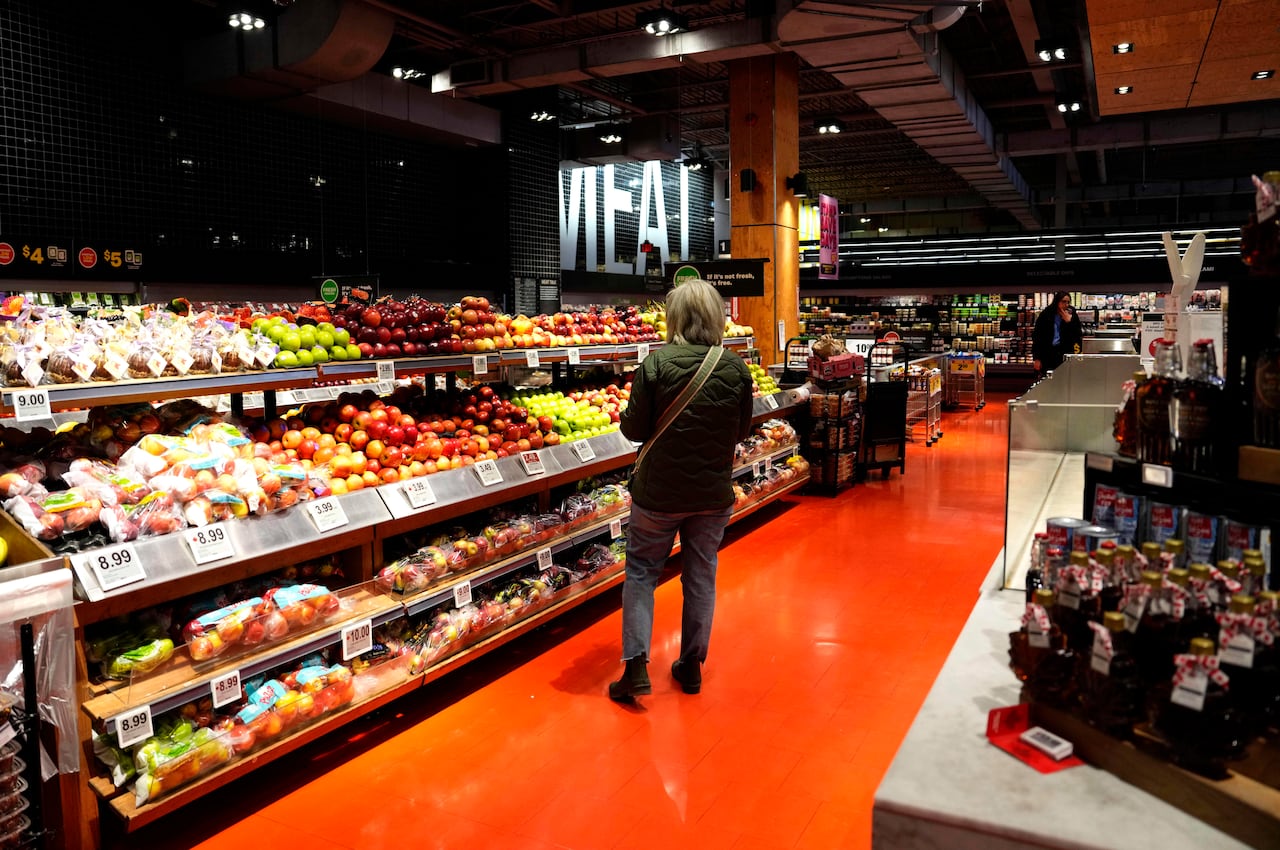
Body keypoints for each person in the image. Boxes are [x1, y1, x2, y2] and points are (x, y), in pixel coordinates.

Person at [609, 279, 754, 702]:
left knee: (640, 573)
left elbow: (633, 430)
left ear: (674, 318)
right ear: (716, 318)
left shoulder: (655, 364)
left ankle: (635, 666)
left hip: (658, 495)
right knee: (701, 573)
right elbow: (741, 429)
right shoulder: (735, 368)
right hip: (711, 493)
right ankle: (691, 665)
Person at [1032, 291, 1084, 375]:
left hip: (1065, 352)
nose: (1066, 305)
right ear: (1057, 301)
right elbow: (1037, 337)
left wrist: (1069, 322)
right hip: (1048, 353)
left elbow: (1077, 335)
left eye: (1068, 302)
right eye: (1063, 301)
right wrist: (1037, 358)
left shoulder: (1071, 314)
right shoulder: (1046, 314)